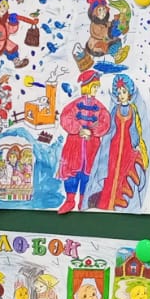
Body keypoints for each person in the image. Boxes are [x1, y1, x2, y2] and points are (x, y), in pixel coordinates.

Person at [56, 70, 111, 213]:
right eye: (94, 87)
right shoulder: (75, 104)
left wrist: (92, 131)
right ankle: (69, 201)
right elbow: (65, 118)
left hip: (92, 146)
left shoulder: (100, 107)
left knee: (87, 174)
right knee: (71, 174)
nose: (96, 90)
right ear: (87, 87)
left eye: (97, 87)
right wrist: (79, 129)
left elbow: (105, 122)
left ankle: (83, 200)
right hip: (74, 145)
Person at [90, 74, 147, 211]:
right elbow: (109, 127)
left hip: (127, 147)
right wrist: (97, 127)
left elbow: (134, 129)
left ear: (129, 93)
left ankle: (119, 202)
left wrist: (135, 144)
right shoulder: (115, 109)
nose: (121, 95)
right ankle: (106, 203)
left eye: (124, 92)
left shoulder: (133, 110)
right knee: (111, 175)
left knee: (123, 174)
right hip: (114, 147)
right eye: (119, 92)